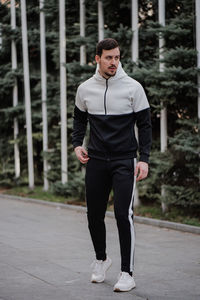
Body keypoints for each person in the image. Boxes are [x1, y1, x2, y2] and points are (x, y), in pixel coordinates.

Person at [72, 38, 152, 292]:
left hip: (123, 160)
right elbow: (78, 120)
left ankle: (127, 273)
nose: (114, 62)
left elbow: (145, 125)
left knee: (122, 214)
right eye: (108, 57)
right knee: (93, 214)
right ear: (97, 58)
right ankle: (101, 258)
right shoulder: (85, 89)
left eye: (117, 57)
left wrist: (145, 159)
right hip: (95, 159)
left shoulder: (133, 88)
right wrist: (77, 145)